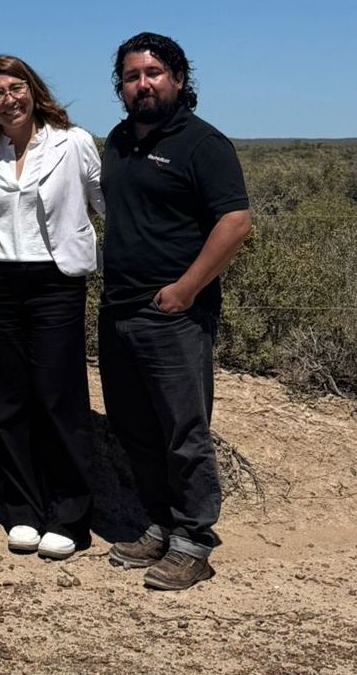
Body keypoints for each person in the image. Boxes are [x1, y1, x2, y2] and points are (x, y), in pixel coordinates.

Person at [99, 31, 251, 590]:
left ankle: (194, 541)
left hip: (173, 314)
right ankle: (160, 525)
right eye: (132, 75)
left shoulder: (202, 143)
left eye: (154, 73)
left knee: (183, 430)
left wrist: (186, 288)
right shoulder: (116, 140)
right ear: (121, 86)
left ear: (179, 79)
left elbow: (234, 222)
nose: (143, 83)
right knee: (135, 426)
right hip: (118, 307)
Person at [0, 55, 104, 560]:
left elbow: (108, 202)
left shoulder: (72, 143)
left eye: (17, 88)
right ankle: (21, 507)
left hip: (54, 279)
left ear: (34, 90)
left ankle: (71, 514)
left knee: (58, 397)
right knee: (5, 397)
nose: (9, 99)